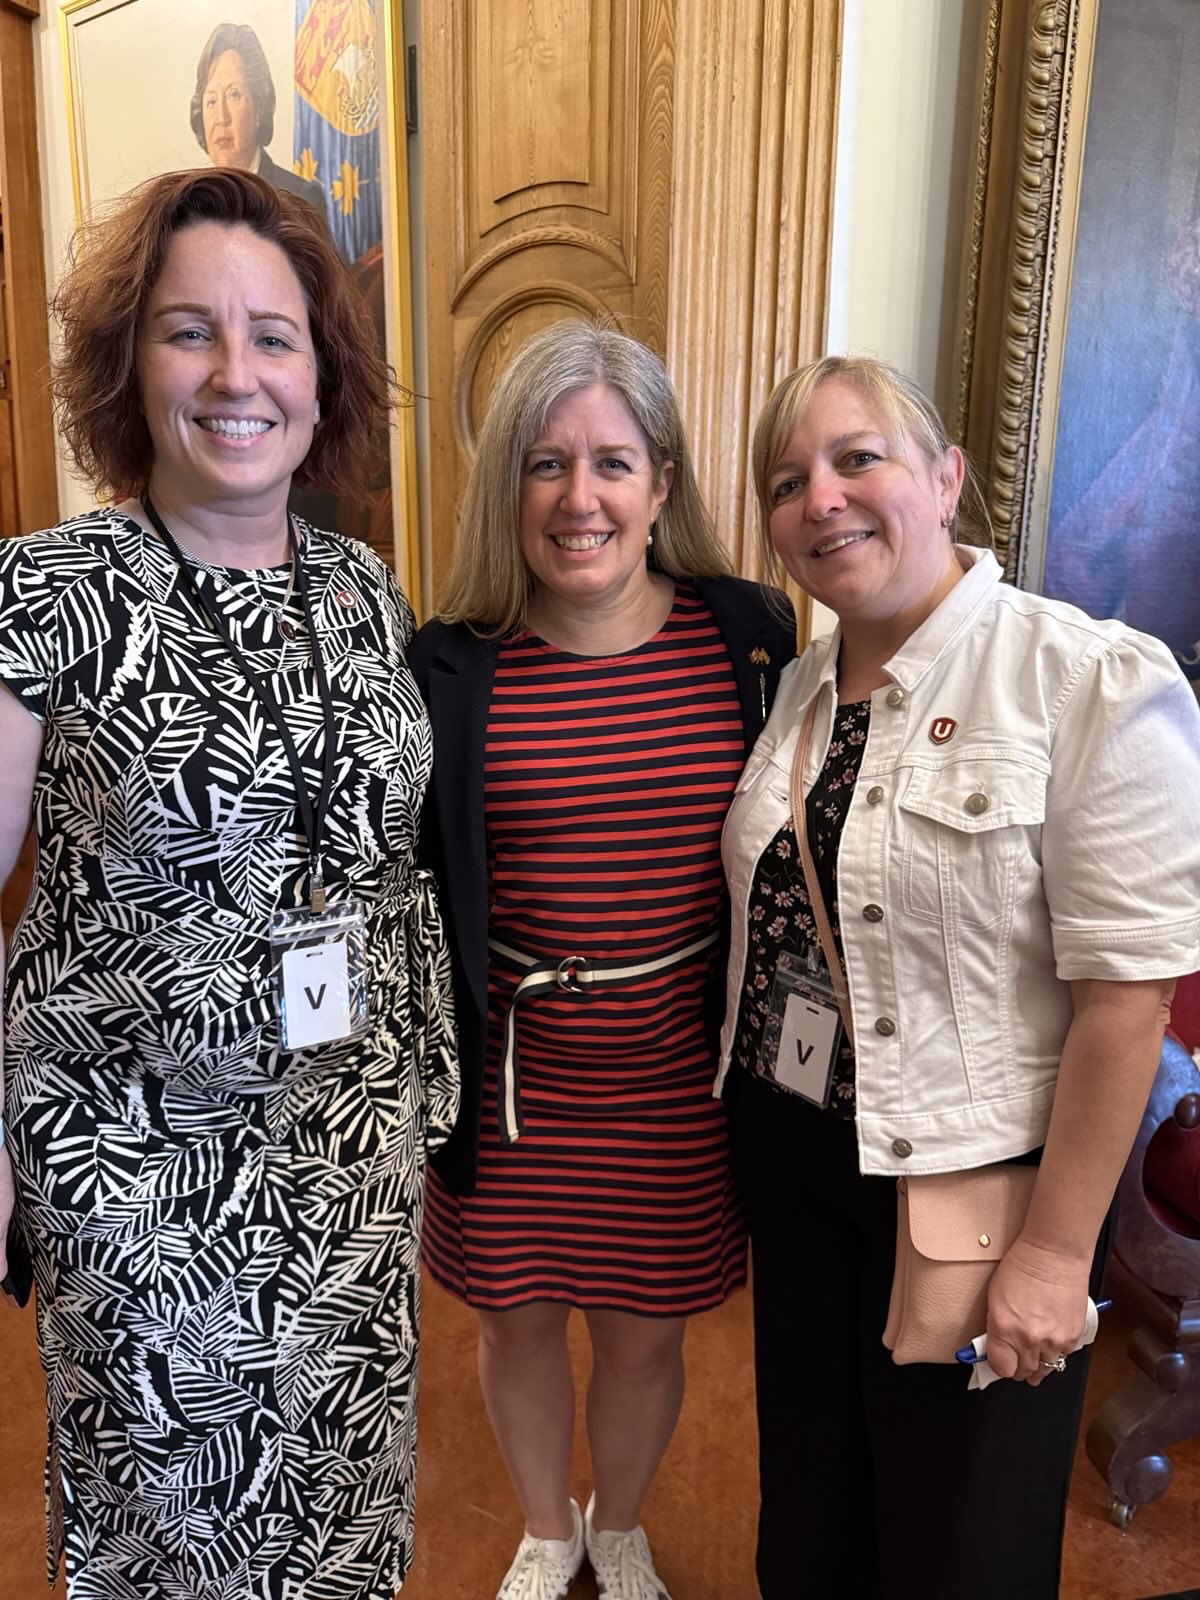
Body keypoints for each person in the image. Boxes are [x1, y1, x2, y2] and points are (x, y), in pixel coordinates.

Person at [0, 168, 457, 1599]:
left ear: (323, 374)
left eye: (275, 334)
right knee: (174, 1530)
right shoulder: (46, 591)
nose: (237, 372)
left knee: (342, 1511)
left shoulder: (364, 588)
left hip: (351, 1162)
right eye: (190, 330)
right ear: (131, 364)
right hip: (140, 1169)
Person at [718, 355, 1200, 1600]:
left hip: (978, 1196)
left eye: (856, 458)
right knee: (815, 1521)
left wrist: (1054, 1253)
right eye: (788, 479)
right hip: (805, 1169)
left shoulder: (1083, 679)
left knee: (961, 1545)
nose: (820, 497)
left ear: (944, 479)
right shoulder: (798, 689)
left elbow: (1126, 1002)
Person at [408, 320, 795, 1600]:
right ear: (505, 487)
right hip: (510, 1080)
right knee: (513, 1323)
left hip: (677, 1079)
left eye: (614, 464)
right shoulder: (448, 665)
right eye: (546, 463)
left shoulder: (751, 637)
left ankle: (615, 1525)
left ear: (663, 485)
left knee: (642, 1335)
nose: (581, 499)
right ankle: (541, 1523)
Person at [192, 22, 328, 217]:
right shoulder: (190, 203)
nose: (221, 118)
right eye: (211, 101)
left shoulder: (300, 199)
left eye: (234, 95)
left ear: (259, 108)